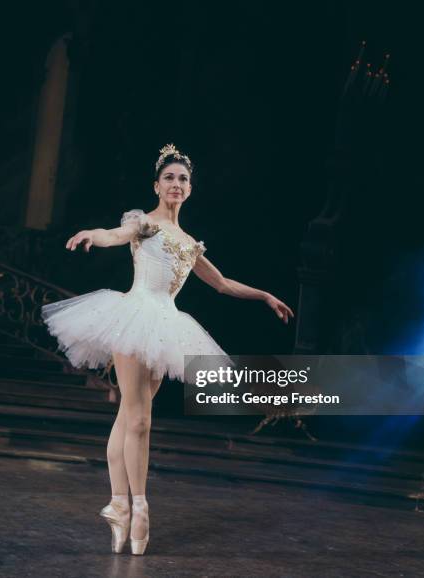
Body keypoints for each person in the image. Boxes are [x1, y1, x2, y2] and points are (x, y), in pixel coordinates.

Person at [41, 143, 294, 555]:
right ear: (157, 185)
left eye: (183, 179)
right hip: (135, 316)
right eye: (170, 178)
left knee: (128, 414)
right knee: (139, 419)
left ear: (190, 189)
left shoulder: (190, 243)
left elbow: (223, 283)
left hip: (167, 326)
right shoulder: (145, 223)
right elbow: (116, 234)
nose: (176, 184)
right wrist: (94, 234)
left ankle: (118, 505)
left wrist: (265, 295)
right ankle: (139, 505)